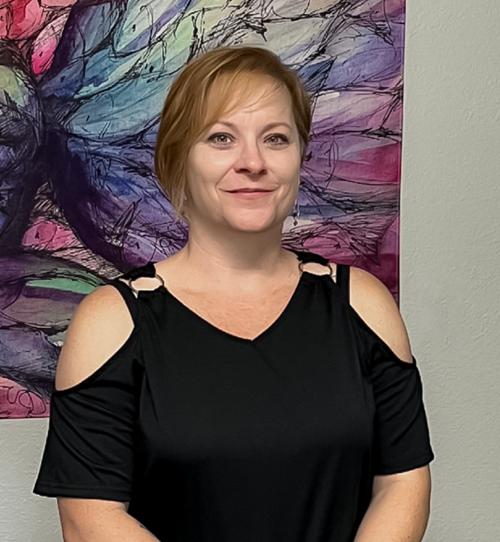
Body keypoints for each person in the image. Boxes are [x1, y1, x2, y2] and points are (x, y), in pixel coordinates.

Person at [33, 45, 435, 541]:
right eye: (221, 138)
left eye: (276, 138)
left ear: (299, 158)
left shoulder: (363, 305)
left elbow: (402, 483)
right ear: (179, 160)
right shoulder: (110, 323)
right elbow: (89, 520)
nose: (253, 162)